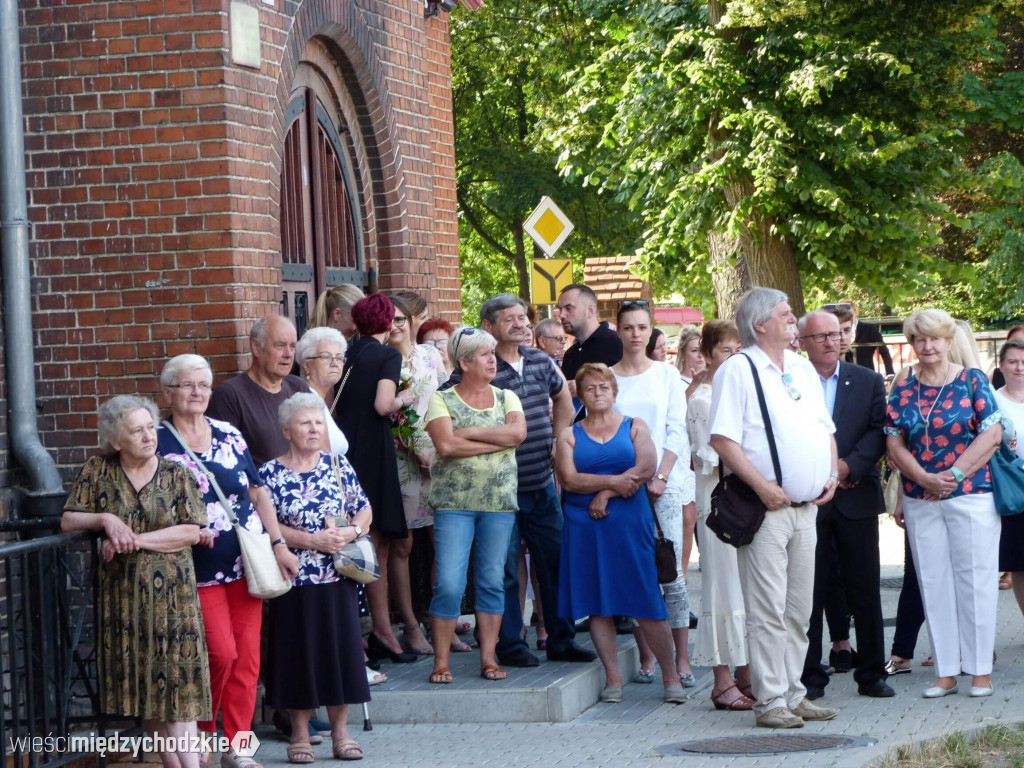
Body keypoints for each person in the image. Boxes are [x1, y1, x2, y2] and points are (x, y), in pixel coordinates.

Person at [156, 356, 300, 768]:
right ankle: (200, 734)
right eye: (187, 385)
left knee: (248, 658)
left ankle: (240, 747)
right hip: (191, 568)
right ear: (168, 392)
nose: (198, 392)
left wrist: (278, 544)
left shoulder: (228, 433)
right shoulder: (159, 442)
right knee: (220, 655)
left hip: (243, 562)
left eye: (204, 385)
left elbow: (257, 492)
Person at [709, 287, 840, 729]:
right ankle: (770, 702)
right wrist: (763, 487)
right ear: (760, 323)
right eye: (785, 313)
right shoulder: (738, 370)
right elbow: (723, 439)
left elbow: (826, 428)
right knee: (767, 610)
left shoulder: (802, 369)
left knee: (799, 610)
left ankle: (795, 692)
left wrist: (833, 475)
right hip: (765, 509)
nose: (793, 318)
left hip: (807, 508)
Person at [62, 395, 210, 768]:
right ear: (116, 441)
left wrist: (132, 541)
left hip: (174, 601)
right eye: (137, 431)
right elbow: (68, 520)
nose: (148, 436)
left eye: (151, 427)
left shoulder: (178, 473)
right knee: (148, 691)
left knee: (177, 692)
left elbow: (191, 531)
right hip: (124, 601)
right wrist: (105, 521)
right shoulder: (99, 470)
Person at [459, 294, 593, 668]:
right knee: (503, 570)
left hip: (540, 483)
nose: (521, 324)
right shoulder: (478, 367)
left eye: (523, 318)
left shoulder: (540, 360)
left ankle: (561, 640)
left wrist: (558, 437)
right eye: (510, 319)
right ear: (489, 326)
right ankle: (511, 644)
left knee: (554, 563)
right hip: (499, 489)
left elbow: (563, 397)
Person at [885, 308, 1002, 698]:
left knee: (976, 580)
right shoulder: (903, 388)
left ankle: (980, 671)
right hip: (921, 497)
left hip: (970, 494)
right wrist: (920, 478)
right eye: (919, 339)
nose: (927, 346)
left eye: (934, 338)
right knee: (933, 582)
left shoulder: (972, 380)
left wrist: (953, 475)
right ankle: (946, 672)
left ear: (949, 342)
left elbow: (992, 434)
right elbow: (893, 442)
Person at [555, 363, 685, 703]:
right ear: (580, 394)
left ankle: (670, 676)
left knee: (645, 596)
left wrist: (606, 493)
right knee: (597, 601)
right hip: (585, 523)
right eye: (590, 388)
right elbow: (569, 479)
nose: (598, 393)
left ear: (614, 392)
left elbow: (644, 468)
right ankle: (613, 677)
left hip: (629, 518)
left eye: (604, 387)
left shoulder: (634, 427)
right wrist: (613, 482)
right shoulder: (569, 434)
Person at [258, 393, 372, 762]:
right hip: (294, 577)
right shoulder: (269, 474)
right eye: (306, 423)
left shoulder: (337, 465)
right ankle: (301, 735)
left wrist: (351, 533)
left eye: (319, 423)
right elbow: (266, 525)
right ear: (286, 430)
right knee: (298, 655)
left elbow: (364, 509)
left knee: (339, 655)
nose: (313, 429)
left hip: (338, 576)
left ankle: (341, 734)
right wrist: (310, 540)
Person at [796, 312, 894, 701]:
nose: (829, 342)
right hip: (807, 499)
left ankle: (871, 674)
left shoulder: (867, 380)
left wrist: (845, 467)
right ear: (802, 341)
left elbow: (877, 431)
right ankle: (809, 677)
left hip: (855, 494)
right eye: (819, 336)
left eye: (835, 335)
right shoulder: (791, 383)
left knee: (865, 587)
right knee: (809, 591)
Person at [425, 327, 527, 683]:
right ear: (464, 362)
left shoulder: (506, 397)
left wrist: (465, 432)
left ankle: (488, 657)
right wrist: (495, 442)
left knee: (491, 580)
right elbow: (446, 448)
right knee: (450, 583)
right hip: (454, 504)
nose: (492, 360)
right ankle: (441, 661)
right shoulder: (442, 399)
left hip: (498, 504)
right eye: (484, 354)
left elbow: (517, 435)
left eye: (492, 353)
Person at [611, 300, 693, 686]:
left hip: (664, 484)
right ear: (618, 330)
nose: (635, 334)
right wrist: (623, 481)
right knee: (635, 573)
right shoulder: (608, 379)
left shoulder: (666, 375)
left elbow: (677, 429)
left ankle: (683, 661)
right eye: (628, 327)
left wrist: (661, 475)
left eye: (642, 327)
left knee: (670, 573)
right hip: (624, 487)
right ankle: (646, 657)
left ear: (650, 329)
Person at [335, 293, 418, 664]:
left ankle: (364, 634)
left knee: (352, 543)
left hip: (343, 450)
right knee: (376, 544)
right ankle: (382, 632)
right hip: (372, 451)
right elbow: (383, 405)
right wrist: (408, 397)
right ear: (387, 324)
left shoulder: (344, 350)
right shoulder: (387, 355)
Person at [686, 320, 753, 711]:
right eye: (726, 350)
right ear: (708, 354)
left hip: (744, 501)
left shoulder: (739, 394)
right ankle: (721, 680)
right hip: (718, 503)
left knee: (743, 586)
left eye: (738, 349)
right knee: (721, 584)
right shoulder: (703, 400)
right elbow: (712, 456)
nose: (733, 357)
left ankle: (745, 673)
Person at [386, 295, 447, 656]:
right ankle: (409, 624)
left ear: (411, 321)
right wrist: (410, 446)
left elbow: (444, 398)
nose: (394, 327)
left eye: (400, 320)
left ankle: (442, 621)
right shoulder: (383, 360)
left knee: (444, 540)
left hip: (439, 451)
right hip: (400, 457)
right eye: (388, 321)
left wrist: (440, 444)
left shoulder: (428, 356)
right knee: (404, 543)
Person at [206, 315, 310, 466]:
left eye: (292, 346)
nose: (288, 354)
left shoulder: (299, 388)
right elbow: (223, 461)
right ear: (256, 347)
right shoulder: (230, 394)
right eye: (280, 346)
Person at [995, 339, 1024, 616]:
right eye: (1013, 361)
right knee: (1020, 562)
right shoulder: (993, 400)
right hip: (1013, 489)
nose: (1019, 367)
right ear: (1001, 366)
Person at [558, 283, 623, 398]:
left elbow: (633, 385)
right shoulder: (569, 355)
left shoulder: (617, 343)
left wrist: (585, 387)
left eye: (569, 308)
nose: (562, 315)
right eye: (560, 309)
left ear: (590, 310)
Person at [295, 327, 349, 455]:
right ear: (307, 365)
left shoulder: (318, 400)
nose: (335, 363)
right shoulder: (305, 402)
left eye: (339, 357)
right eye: (326, 357)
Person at [841, 299, 895, 377]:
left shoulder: (869, 328)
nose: (847, 318)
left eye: (849, 314)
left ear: (856, 313)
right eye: (843, 315)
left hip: (866, 375)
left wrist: (890, 373)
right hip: (845, 375)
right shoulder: (835, 331)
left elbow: (884, 352)